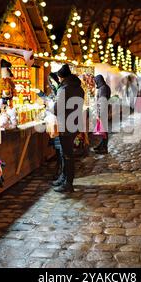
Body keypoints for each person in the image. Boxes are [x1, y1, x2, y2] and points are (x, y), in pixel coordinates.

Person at [51, 64, 85, 193]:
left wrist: (50, 106)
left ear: (61, 77)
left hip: (65, 125)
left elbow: (57, 109)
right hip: (74, 124)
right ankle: (64, 178)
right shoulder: (79, 88)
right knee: (66, 153)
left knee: (67, 155)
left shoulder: (64, 89)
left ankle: (68, 183)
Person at [93, 74, 111, 154]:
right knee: (103, 130)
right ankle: (101, 146)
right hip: (105, 110)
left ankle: (104, 148)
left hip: (103, 111)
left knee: (104, 130)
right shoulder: (105, 87)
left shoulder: (103, 88)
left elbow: (102, 101)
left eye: (95, 81)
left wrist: (99, 113)